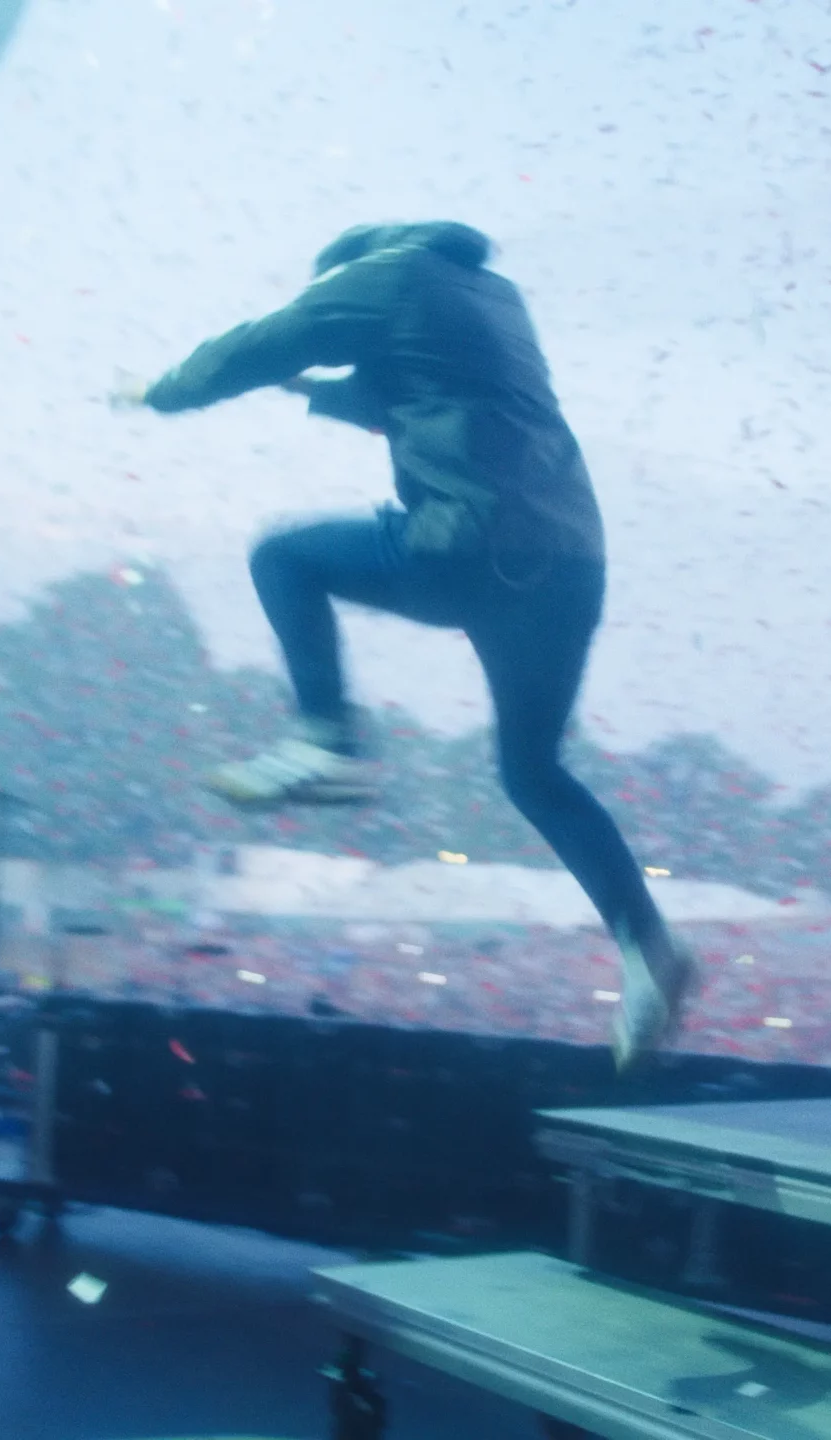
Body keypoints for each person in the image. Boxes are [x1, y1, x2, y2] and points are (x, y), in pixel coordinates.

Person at [108, 220, 694, 1068]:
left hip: (475, 545)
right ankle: (650, 951)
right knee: (533, 772)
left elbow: (265, 342)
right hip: (565, 567)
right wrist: (309, 390)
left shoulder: (383, 275)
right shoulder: (488, 300)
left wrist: (160, 391)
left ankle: (327, 741)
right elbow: (394, 399)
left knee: (284, 556)